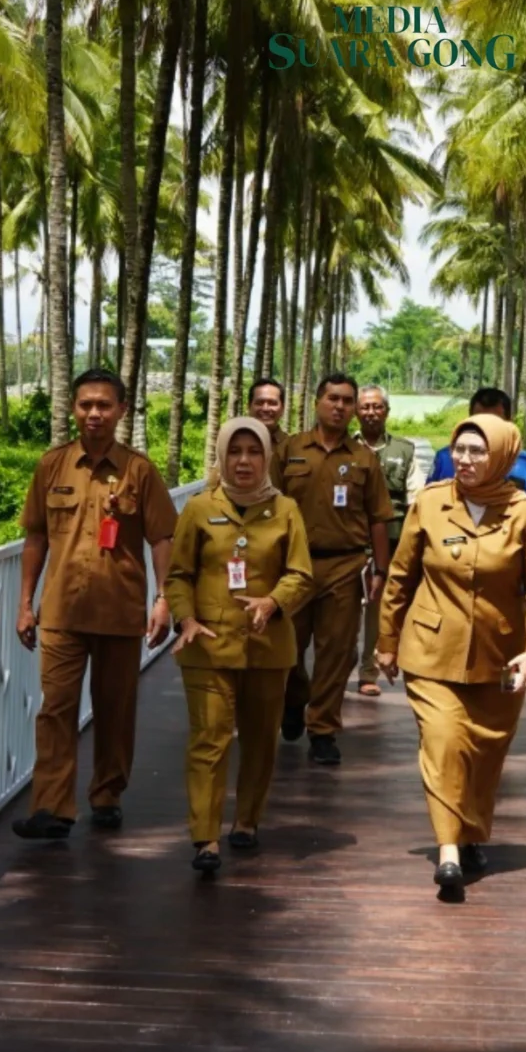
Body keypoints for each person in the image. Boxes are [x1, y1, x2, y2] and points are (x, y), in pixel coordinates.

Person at [375, 414, 526, 902]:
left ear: (500, 456)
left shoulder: (523, 512)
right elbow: (400, 578)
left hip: (500, 654)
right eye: (459, 449)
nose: (465, 459)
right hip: (430, 650)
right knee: (443, 742)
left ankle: (473, 830)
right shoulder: (431, 504)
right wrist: (387, 642)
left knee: (485, 750)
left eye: (477, 451)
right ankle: (449, 850)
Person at [12, 368, 179, 841]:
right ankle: (51, 808)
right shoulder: (52, 466)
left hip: (120, 612)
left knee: (115, 708)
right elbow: (36, 537)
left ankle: (107, 794)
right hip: (61, 612)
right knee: (56, 709)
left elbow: (162, 538)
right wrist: (26, 603)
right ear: (73, 408)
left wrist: (163, 599)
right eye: (86, 404)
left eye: (104, 405)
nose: (94, 414)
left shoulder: (140, 471)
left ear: (122, 410)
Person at [165, 418, 315, 874]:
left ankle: (246, 821)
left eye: (254, 451)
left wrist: (273, 602)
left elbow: (301, 574)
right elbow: (178, 575)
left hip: (268, 647)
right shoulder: (197, 508)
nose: (244, 460)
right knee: (208, 740)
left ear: (267, 457)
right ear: (223, 457)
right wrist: (184, 617)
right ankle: (205, 837)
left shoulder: (286, 509)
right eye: (236, 451)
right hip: (208, 644)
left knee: (259, 742)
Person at [278, 373, 392, 766]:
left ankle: (323, 729)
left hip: (345, 564)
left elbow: (379, 517)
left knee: (337, 652)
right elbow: (267, 508)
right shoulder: (290, 450)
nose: (340, 406)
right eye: (333, 399)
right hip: (292, 567)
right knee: (287, 649)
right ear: (317, 402)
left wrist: (380, 569)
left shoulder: (364, 459)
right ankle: (295, 700)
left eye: (347, 401)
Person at [354, 385, 427, 698]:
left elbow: (416, 500)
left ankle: (368, 671)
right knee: (342, 613)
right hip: (351, 539)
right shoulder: (344, 447)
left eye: (377, 407)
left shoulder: (404, 450)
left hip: (392, 541)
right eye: (365, 407)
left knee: (376, 608)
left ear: (387, 411)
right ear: (357, 412)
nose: (371, 412)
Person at [427, 387, 526, 520]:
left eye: (494, 423)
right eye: (479, 422)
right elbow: (429, 508)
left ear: (509, 424)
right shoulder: (446, 458)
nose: (486, 429)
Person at [202, 379, 288, 489]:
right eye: (259, 403)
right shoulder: (230, 442)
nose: (265, 408)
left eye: (272, 403)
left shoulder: (291, 447)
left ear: (282, 409)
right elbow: (214, 485)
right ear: (249, 406)